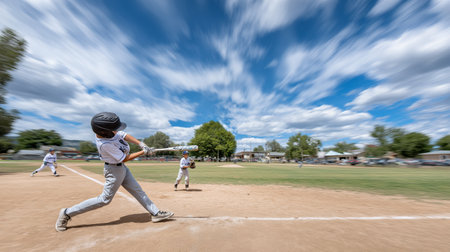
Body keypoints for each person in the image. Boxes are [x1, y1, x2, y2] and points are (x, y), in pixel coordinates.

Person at [55, 112, 174, 232]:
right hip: (113, 170)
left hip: (121, 167)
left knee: (137, 190)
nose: (116, 131)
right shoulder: (104, 144)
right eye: (113, 129)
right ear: (103, 131)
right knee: (104, 199)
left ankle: (155, 213)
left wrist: (141, 144)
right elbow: (124, 158)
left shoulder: (110, 133)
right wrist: (144, 152)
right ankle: (67, 213)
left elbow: (124, 134)